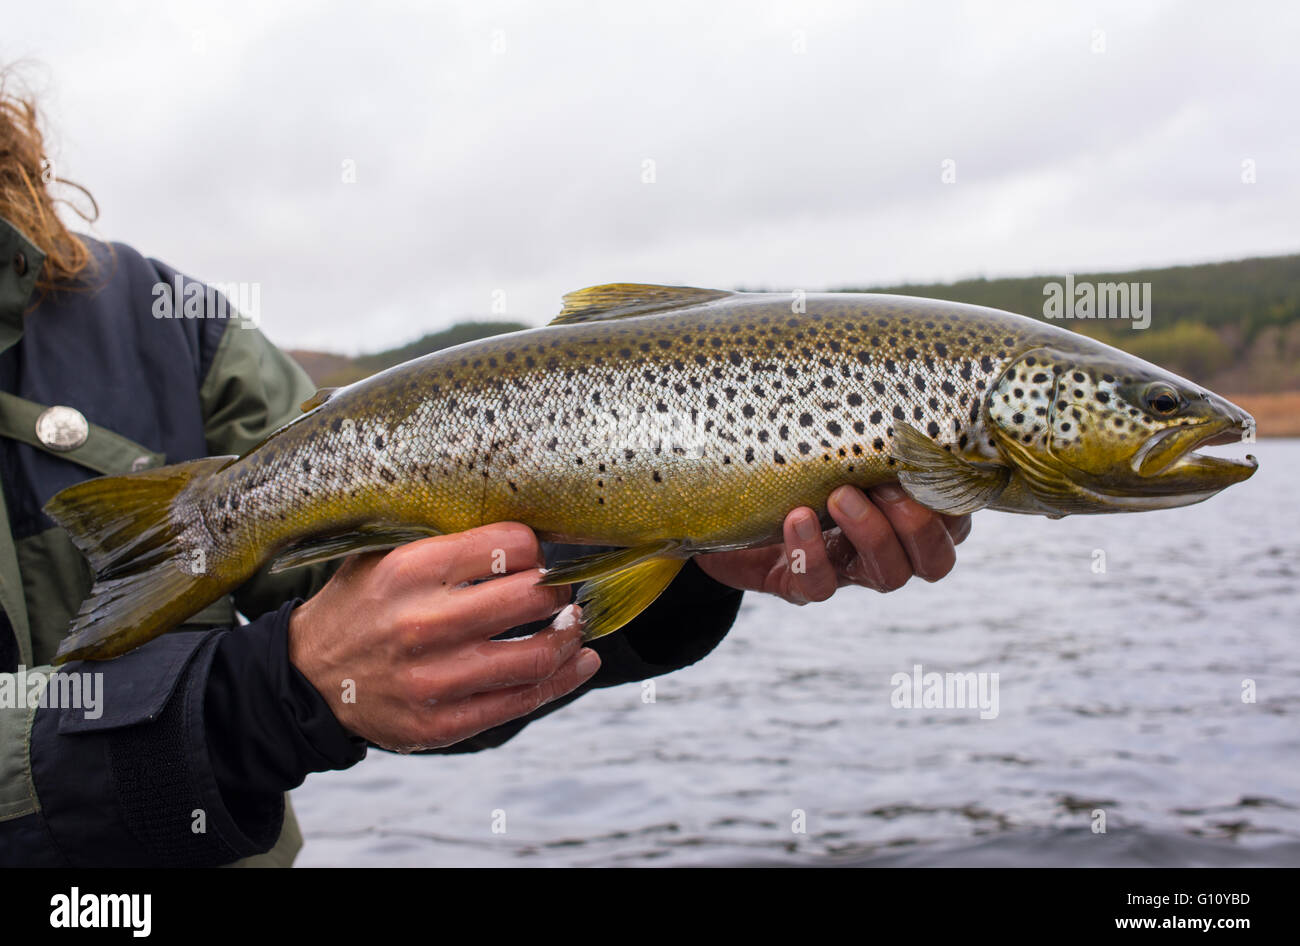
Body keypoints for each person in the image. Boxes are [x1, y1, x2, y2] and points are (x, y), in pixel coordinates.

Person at [0, 74, 971, 866]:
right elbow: (312, 667)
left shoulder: (162, 315)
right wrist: (259, 701)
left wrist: (676, 539)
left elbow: (386, 620)